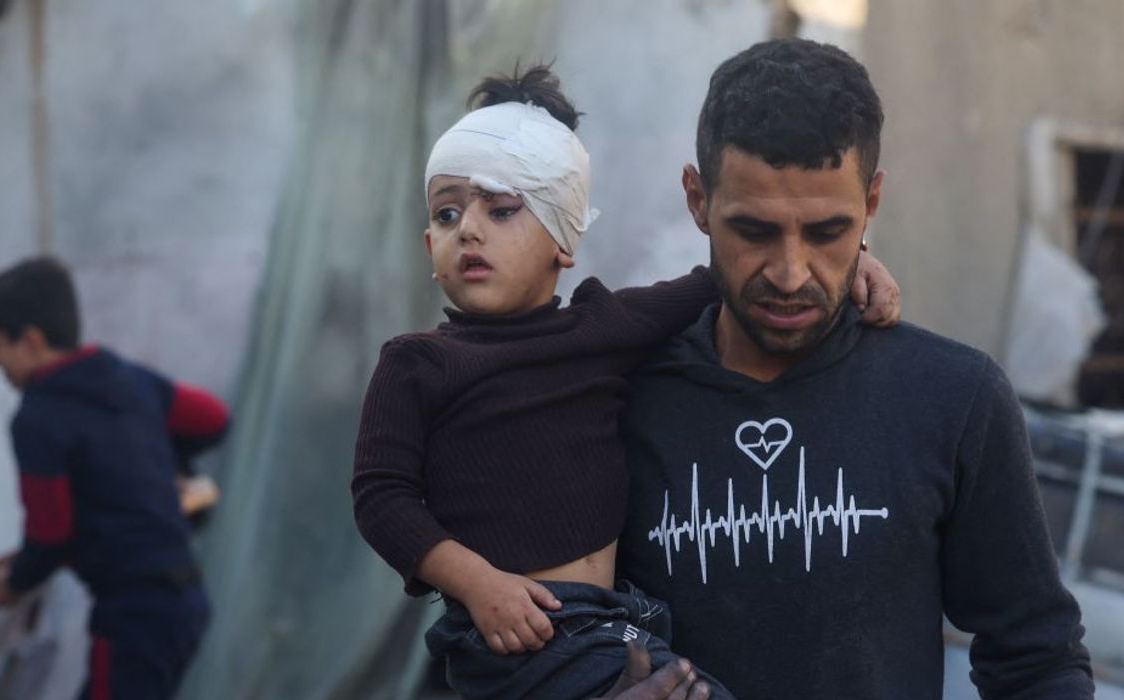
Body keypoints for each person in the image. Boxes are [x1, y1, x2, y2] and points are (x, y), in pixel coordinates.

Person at [350, 66, 901, 700]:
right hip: (515, 633)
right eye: (447, 215)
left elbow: (726, 278)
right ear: (428, 245)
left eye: (502, 209)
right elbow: (380, 496)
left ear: (564, 238)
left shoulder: (602, 327)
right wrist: (477, 583)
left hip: (616, 622)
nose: (468, 229)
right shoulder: (418, 362)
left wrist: (853, 258)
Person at [614, 38, 1095, 699]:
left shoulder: (952, 398)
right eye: (753, 231)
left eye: (825, 232)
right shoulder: (615, 398)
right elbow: (539, 628)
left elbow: (1036, 659)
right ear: (697, 200)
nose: (790, 273)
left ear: (871, 202)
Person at [0, 256, 230, 700]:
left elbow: (50, 532)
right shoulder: (129, 380)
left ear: (31, 341)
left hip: (133, 615)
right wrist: (169, 465)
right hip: (186, 602)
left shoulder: (37, 418)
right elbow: (213, 418)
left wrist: (14, 583)